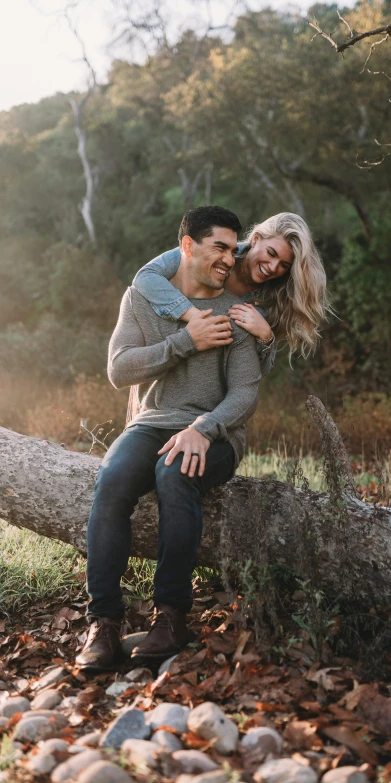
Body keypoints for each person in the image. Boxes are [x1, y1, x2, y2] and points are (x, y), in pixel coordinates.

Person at [76, 206, 261, 672]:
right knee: (113, 478)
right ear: (187, 246)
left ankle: (171, 616)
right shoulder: (141, 298)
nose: (228, 258)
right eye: (218, 247)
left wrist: (203, 429)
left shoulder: (235, 313)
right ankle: (103, 622)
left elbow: (244, 394)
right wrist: (185, 341)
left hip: (214, 431)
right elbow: (119, 370)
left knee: (175, 472)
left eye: (232, 248)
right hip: (151, 423)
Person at [132, 212, 329, 380]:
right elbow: (145, 277)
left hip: (211, 395)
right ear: (256, 239)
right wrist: (193, 315)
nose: (272, 267)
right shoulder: (214, 251)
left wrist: (266, 337)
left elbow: (256, 373)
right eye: (271, 253)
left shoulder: (271, 303)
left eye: (284, 265)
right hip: (160, 371)